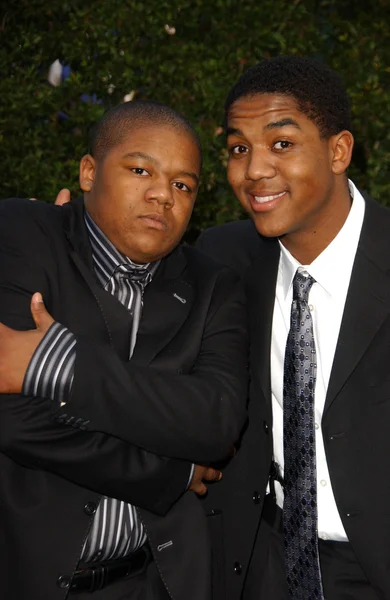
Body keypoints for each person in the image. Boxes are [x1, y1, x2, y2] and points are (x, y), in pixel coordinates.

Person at [0, 100, 248, 599]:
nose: (162, 195)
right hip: (24, 571)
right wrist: (170, 471)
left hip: (154, 581)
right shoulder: (24, 233)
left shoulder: (213, 286)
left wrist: (61, 366)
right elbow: (13, 418)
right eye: (140, 170)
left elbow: (216, 423)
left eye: (183, 185)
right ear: (89, 172)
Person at [196, 55, 390, 600]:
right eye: (239, 148)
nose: (254, 169)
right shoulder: (223, 255)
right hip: (259, 560)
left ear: (338, 151)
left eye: (281, 143)